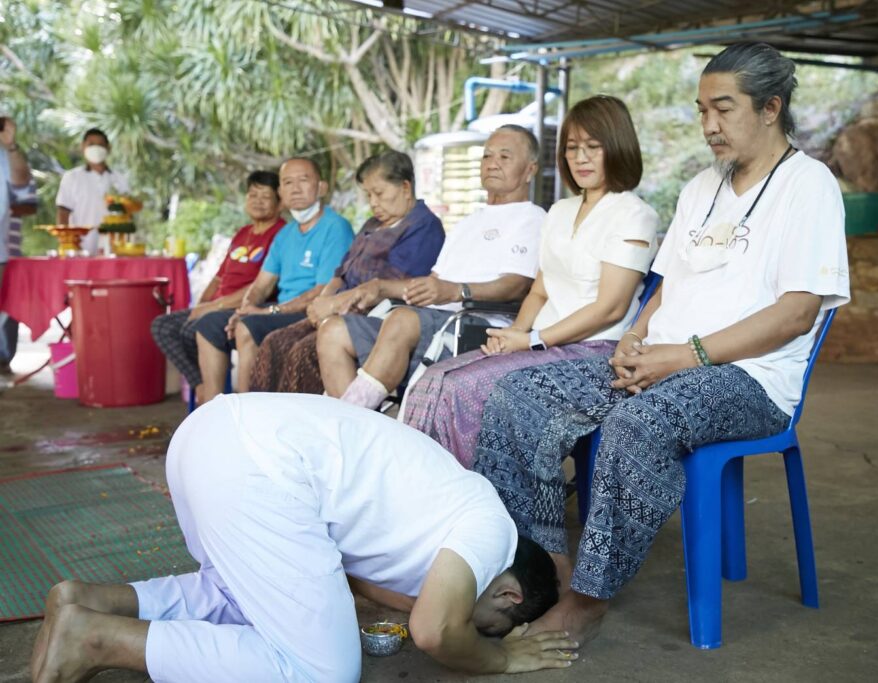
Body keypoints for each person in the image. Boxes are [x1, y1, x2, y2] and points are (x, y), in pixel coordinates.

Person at [473, 43, 851, 645]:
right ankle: (545, 568)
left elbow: (796, 314)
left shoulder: (808, 186)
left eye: (723, 109)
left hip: (749, 378)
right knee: (516, 397)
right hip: (663, 359)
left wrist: (685, 356)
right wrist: (634, 337)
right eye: (702, 110)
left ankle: (588, 599)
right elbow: (666, 287)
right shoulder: (702, 186)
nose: (709, 125)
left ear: (771, 107)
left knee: (638, 424)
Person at [31, 394, 576, 682]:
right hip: (259, 469)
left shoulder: (450, 511)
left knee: (238, 595)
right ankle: (97, 639)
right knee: (322, 672)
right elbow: (436, 631)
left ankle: (90, 601)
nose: (473, 631)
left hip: (210, 433)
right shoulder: (491, 528)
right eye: (487, 627)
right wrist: (501, 659)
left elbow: (369, 589)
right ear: (508, 594)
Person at [402, 95, 659, 468]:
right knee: (437, 378)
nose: (581, 158)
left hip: (596, 351)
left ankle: (483, 495)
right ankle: (427, 485)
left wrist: (533, 340)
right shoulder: (560, 211)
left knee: (468, 388)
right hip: (543, 343)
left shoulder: (633, 214)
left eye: (593, 147)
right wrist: (515, 333)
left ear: (618, 146)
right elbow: (540, 290)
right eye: (572, 148)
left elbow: (611, 308)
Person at [315, 125, 547, 406]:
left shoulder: (533, 219)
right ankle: (356, 420)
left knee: (402, 319)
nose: (492, 163)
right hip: (434, 322)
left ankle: (350, 417)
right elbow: (435, 281)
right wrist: (379, 288)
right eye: (487, 156)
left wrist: (456, 291)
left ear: (530, 170)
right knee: (333, 330)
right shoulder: (467, 222)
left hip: (481, 327)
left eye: (505, 157)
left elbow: (517, 285)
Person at [247, 151, 444, 394]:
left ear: (405, 187)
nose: (373, 203)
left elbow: (392, 286)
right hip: (336, 309)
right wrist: (322, 303)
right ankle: (267, 414)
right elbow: (340, 273)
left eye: (379, 193)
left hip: (373, 317)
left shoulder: (423, 227)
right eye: (369, 195)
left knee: (302, 352)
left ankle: (324, 417)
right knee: (275, 342)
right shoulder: (372, 224)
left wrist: (334, 306)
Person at [193, 157, 354, 403]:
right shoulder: (285, 234)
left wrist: (267, 312)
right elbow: (261, 284)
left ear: (322, 187)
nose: (295, 189)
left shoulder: (336, 227)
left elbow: (322, 291)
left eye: (303, 180)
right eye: (288, 182)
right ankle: (213, 408)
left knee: (247, 327)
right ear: (281, 192)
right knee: (209, 324)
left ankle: (249, 412)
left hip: (312, 311)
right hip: (280, 309)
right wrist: (247, 306)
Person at [150, 171, 286, 403]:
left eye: (265, 196)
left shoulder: (281, 234)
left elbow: (260, 286)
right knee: (162, 326)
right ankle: (201, 386)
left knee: (192, 329)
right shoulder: (243, 233)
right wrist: (202, 304)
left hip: (245, 306)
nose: (257, 201)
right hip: (217, 304)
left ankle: (215, 396)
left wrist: (212, 307)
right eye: (252, 195)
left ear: (280, 202)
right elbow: (218, 278)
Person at [0, 114, 37, 376]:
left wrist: (11, 145)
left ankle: (2, 361)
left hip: (3, 251)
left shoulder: (6, 157)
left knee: (4, 311)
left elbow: (25, 191)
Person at [55, 128, 130, 255]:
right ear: (82, 147)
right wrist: (66, 244)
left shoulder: (119, 179)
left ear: (108, 148)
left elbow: (128, 214)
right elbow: (63, 212)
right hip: (80, 250)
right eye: (91, 144)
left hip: (113, 251)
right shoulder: (72, 177)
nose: (96, 148)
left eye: (100, 144)